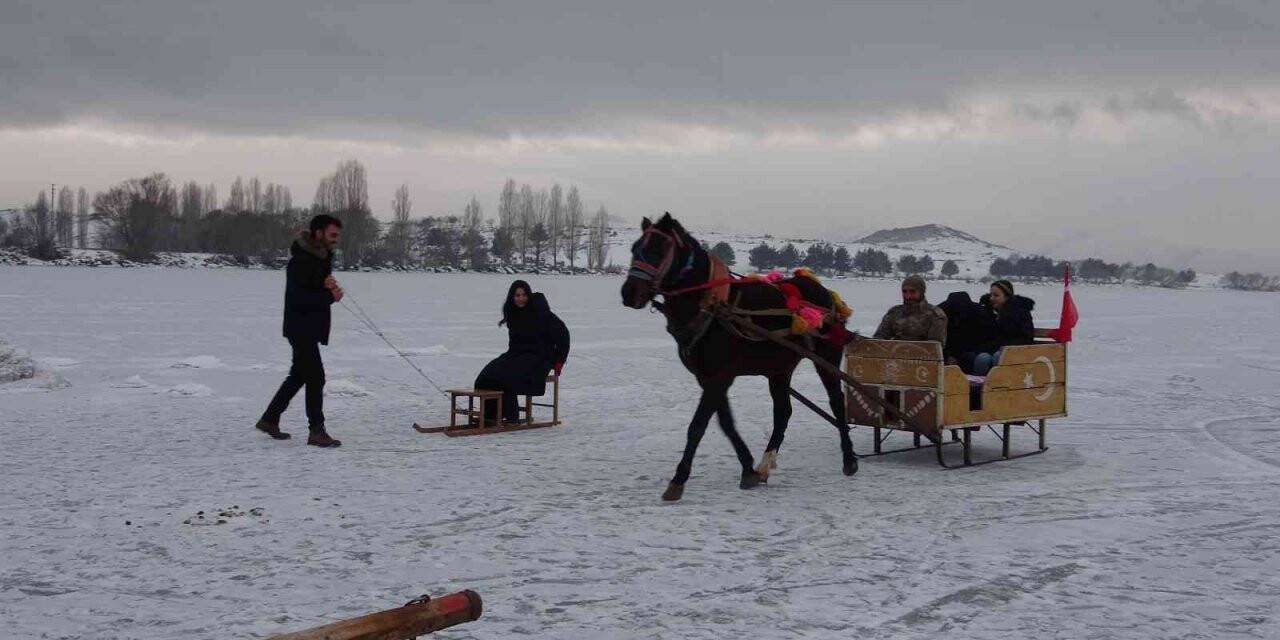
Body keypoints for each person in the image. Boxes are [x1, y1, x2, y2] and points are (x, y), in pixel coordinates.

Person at [255, 214, 345, 447]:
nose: (336, 240)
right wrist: (329, 295)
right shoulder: (301, 261)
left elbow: (312, 287)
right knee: (316, 376)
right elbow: (298, 298)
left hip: (309, 328)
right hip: (300, 328)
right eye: (332, 235)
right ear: (318, 233)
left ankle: (269, 419)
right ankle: (316, 431)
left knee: (299, 375)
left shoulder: (319, 258)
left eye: (337, 235)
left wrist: (327, 285)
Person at [474, 281, 570, 426]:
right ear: (512, 297)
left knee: (508, 378)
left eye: (524, 295)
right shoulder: (513, 314)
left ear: (529, 296)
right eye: (517, 295)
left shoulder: (540, 311)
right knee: (485, 377)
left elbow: (563, 335)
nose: (520, 298)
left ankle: (512, 416)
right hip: (516, 355)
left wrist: (559, 362)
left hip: (540, 357)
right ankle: (491, 415)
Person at [970, 279, 1036, 375]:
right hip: (991, 350)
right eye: (991, 295)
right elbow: (981, 335)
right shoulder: (986, 311)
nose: (992, 298)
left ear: (1007, 297)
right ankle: (978, 387)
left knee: (999, 356)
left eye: (996, 295)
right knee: (982, 358)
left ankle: (1000, 386)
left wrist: (1005, 346)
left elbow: (1027, 337)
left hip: (1014, 350)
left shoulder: (1020, 312)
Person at [873, 275, 947, 344]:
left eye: (912, 291)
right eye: (904, 291)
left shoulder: (935, 315)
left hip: (922, 357)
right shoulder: (894, 312)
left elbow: (934, 347)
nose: (908, 296)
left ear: (921, 292)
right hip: (893, 356)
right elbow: (878, 340)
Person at [937, 290, 995, 373]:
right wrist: (947, 356)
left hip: (972, 352)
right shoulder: (941, 318)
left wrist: (956, 356)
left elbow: (986, 339)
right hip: (950, 354)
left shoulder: (979, 317)